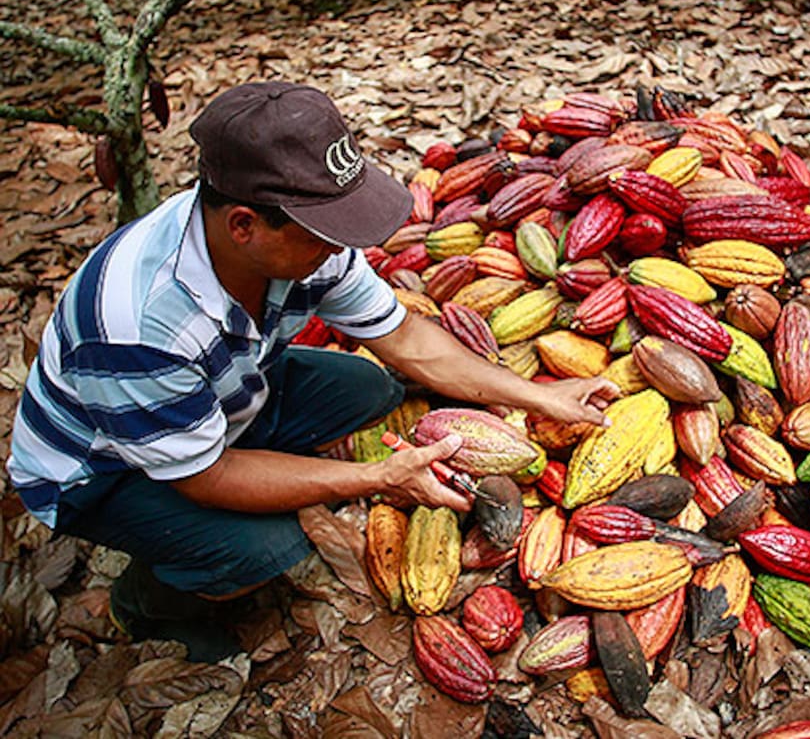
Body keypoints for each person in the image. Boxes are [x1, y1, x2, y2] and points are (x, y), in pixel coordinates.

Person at [6, 81, 619, 662]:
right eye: (325, 233)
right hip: (101, 471)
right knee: (268, 548)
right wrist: (375, 477)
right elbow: (207, 475)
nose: (340, 248)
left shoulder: (299, 241)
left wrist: (543, 397)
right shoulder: (138, 324)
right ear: (244, 224)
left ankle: (259, 462)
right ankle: (148, 605)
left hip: (224, 394)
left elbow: (406, 338)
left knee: (372, 386)